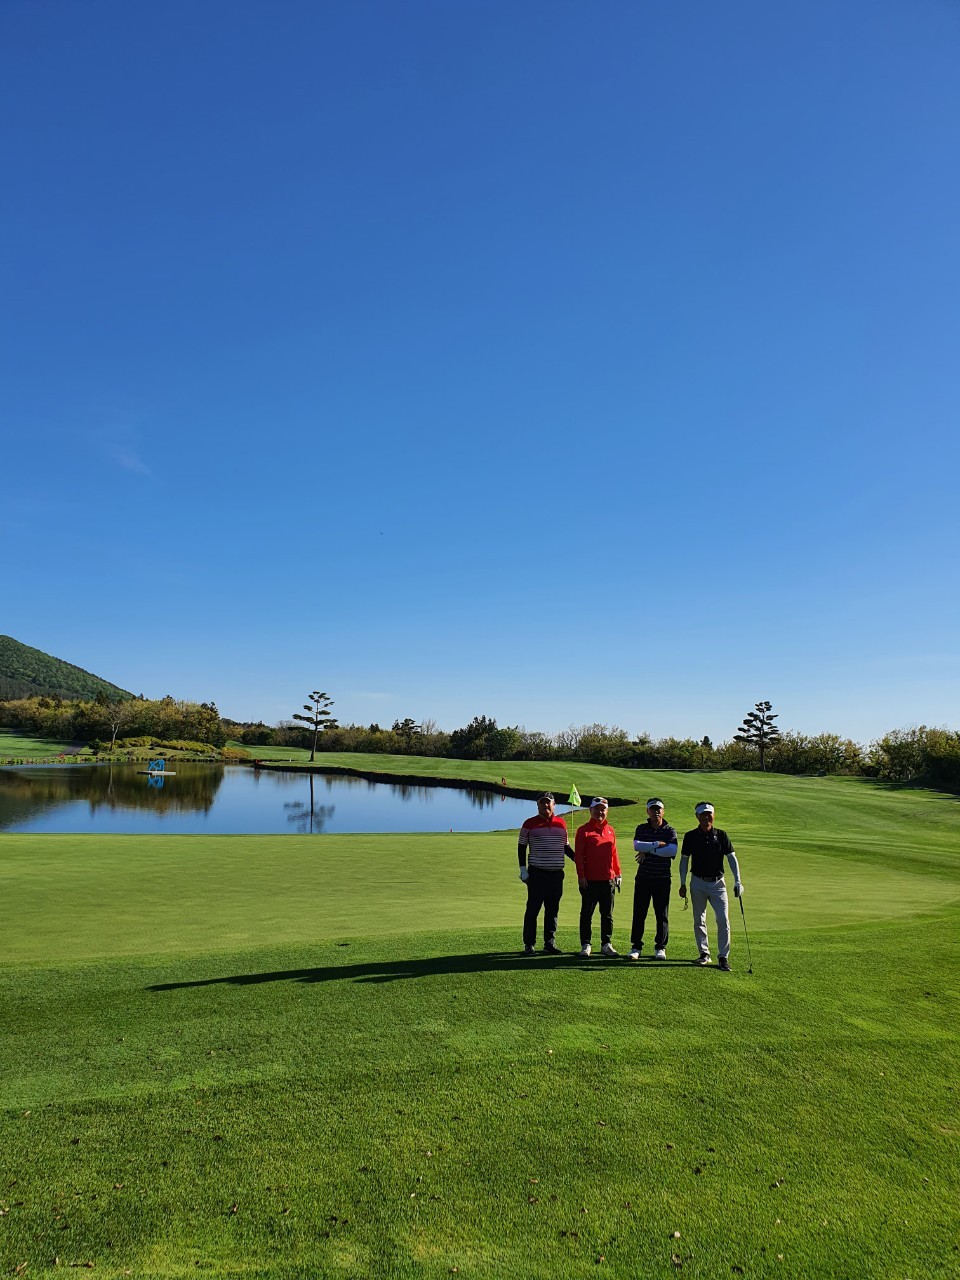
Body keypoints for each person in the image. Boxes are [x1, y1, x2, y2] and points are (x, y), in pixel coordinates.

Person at [678, 802, 744, 971]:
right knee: (699, 919)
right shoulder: (690, 836)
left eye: (709, 814)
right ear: (697, 816)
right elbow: (684, 860)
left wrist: (738, 881)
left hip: (718, 884)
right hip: (697, 882)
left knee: (723, 919)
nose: (706, 817)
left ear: (714, 815)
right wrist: (683, 883)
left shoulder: (721, 835)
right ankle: (704, 953)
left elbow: (732, 858)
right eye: (703, 814)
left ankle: (723, 957)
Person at [518, 792, 575, 954]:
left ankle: (549, 943)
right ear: (538, 805)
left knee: (552, 910)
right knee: (533, 910)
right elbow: (522, 847)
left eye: (548, 802)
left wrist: (578, 859)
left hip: (556, 875)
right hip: (537, 874)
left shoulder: (561, 823)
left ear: (554, 805)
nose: (545, 805)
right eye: (542, 803)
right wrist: (523, 869)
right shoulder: (529, 823)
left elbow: (565, 847)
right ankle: (529, 944)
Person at [628, 797, 678, 960]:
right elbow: (637, 845)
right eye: (653, 809)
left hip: (662, 878)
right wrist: (657, 844)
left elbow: (671, 851)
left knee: (661, 914)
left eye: (658, 809)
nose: (656, 812)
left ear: (663, 811)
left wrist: (648, 849)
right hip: (643, 877)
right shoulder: (641, 828)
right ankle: (636, 946)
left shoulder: (670, 831)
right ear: (647, 811)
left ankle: (660, 947)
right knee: (639, 913)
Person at [574, 797, 622, 957]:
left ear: (607, 811)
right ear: (591, 810)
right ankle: (586, 944)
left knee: (607, 915)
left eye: (603, 809)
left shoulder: (611, 830)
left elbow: (614, 853)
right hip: (589, 880)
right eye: (597, 809)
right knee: (586, 914)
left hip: (608, 879)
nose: (600, 812)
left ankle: (606, 944)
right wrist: (581, 876)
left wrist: (618, 873)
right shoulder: (583, 830)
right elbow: (579, 856)